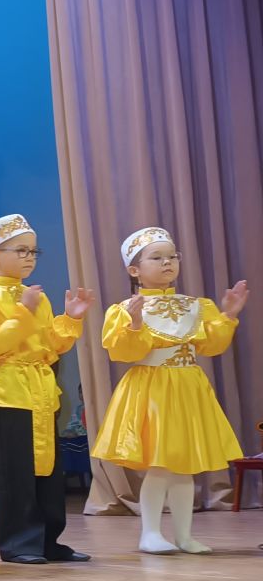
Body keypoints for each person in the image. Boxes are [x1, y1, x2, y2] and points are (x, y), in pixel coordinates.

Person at [92, 226, 247, 554]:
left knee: (183, 466)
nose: (167, 262)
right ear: (134, 270)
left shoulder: (196, 305)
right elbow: (122, 352)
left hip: (188, 386)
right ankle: (149, 533)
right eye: (156, 257)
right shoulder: (124, 309)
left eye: (172, 256)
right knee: (161, 464)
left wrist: (228, 316)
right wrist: (135, 325)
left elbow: (211, 346)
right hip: (153, 388)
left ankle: (183, 535)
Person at [0, 212, 96, 563]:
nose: (29, 258)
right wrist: (23, 313)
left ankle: (48, 541)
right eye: (20, 250)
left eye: (33, 251)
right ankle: (18, 543)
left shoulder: (34, 296)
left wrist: (71, 318)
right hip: (10, 391)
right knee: (15, 471)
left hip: (41, 390)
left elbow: (50, 347)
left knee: (48, 469)